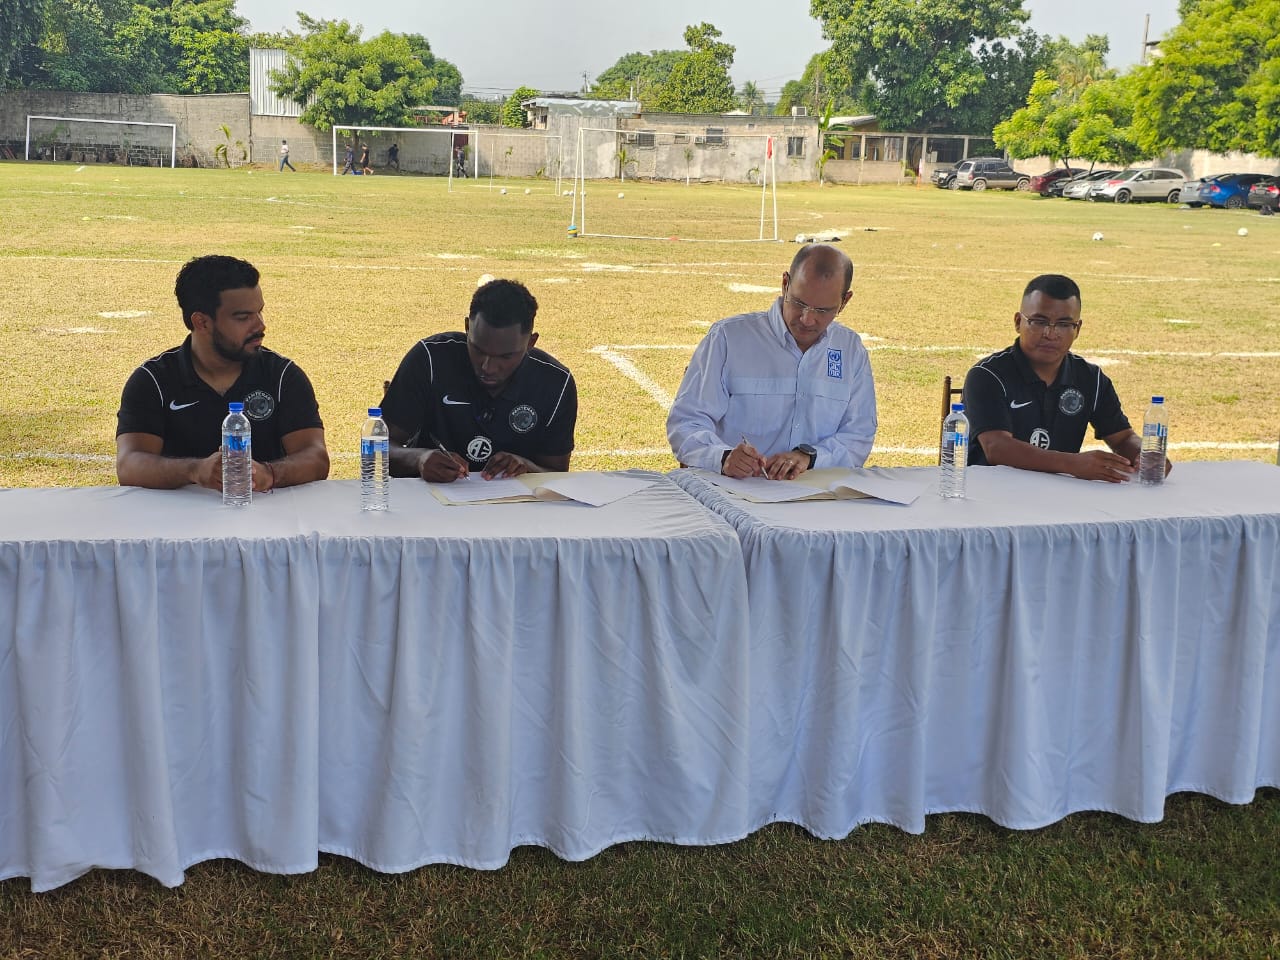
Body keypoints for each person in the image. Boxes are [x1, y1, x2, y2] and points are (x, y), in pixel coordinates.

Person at [115, 255, 330, 492]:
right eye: (243, 317)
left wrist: (268, 473)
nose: (260, 325)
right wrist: (195, 471)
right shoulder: (153, 381)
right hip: (174, 524)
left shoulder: (282, 376)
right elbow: (129, 465)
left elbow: (316, 458)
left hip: (265, 521)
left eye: (259, 312)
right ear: (202, 322)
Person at [667, 243, 877, 479]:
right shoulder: (729, 338)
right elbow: (686, 422)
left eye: (822, 310)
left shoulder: (850, 350)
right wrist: (723, 457)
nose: (807, 319)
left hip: (814, 500)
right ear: (785, 284)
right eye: (799, 303)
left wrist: (811, 458)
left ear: (844, 302)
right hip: (734, 494)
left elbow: (859, 434)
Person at [963, 273, 1171, 482]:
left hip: (1062, 499)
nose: (1050, 334)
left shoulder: (1092, 379)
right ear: (1018, 322)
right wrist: (1072, 463)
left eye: (1064, 324)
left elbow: (1123, 437)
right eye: (1038, 321)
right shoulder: (987, 375)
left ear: (1077, 329)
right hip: (991, 495)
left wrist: (1145, 453)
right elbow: (997, 448)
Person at [380, 279, 577, 483]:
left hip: (513, 510)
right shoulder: (430, 359)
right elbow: (378, 445)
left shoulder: (555, 384)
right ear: (467, 327)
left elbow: (557, 476)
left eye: (506, 357)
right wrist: (419, 459)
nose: (488, 367)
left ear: (531, 343)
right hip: (430, 506)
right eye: (478, 350)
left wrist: (526, 467)